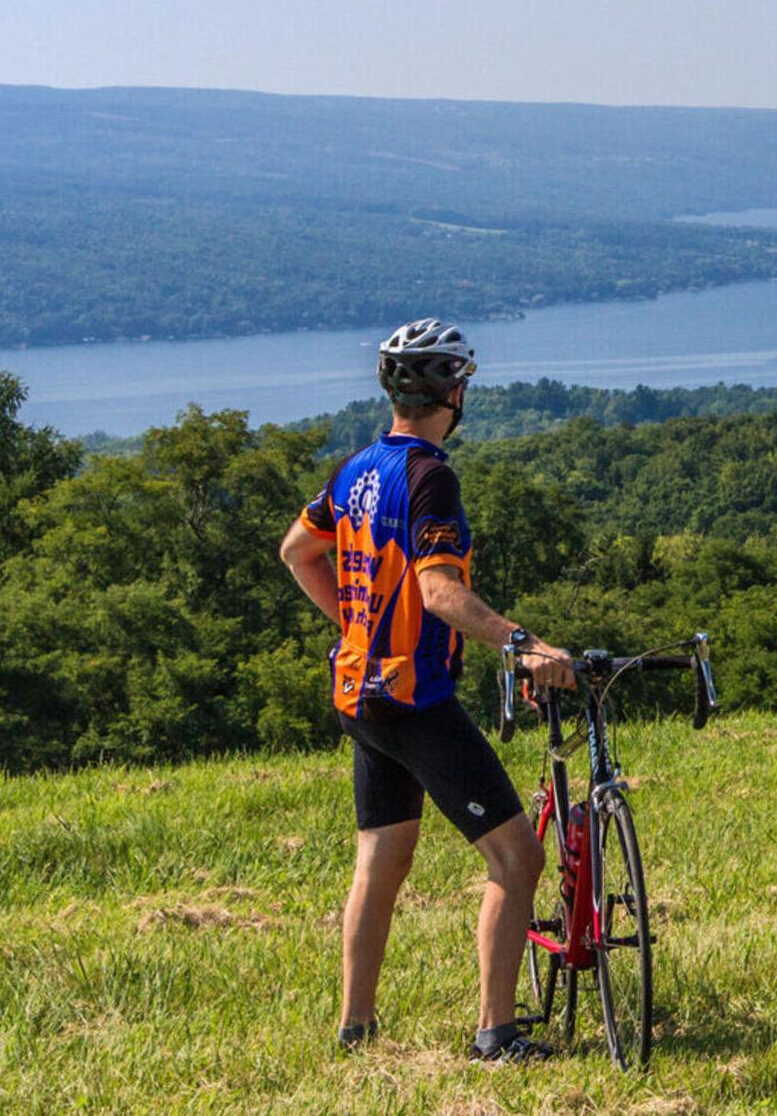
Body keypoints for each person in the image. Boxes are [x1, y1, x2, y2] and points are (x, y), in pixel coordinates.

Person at [278, 318, 577, 1062]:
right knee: (517, 859)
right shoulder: (429, 476)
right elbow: (440, 591)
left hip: (360, 696)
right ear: (453, 389)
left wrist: (357, 625)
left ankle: (355, 1027)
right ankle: (496, 1035)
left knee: (381, 858)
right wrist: (522, 644)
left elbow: (298, 550)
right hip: (415, 699)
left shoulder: (357, 468)